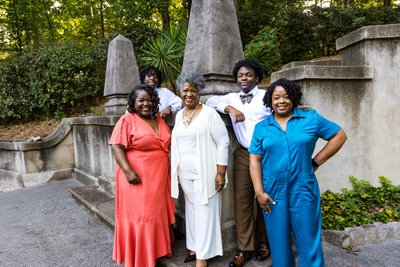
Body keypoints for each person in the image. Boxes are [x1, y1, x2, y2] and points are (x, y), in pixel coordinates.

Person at [249, 78, 347, 267]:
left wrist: (316, 161)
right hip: (272, 192)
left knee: (309, 240)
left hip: (303, 188)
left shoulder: (311, 118)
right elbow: (254, 160)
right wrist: (259, 192)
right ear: (270, 101)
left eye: (286, 96)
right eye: (276, 97)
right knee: (279, 243)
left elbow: (339, 135)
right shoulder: (261, 128)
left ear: (293, 98)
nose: (281, 101)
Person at [206, 59, 271, 267]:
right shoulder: (232, 97)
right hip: (244, 154)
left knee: (265, 199)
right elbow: (209, 101)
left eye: (249, 75)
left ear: (257, 77)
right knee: (242, 201)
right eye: (241, 75)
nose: (244, 78)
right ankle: (244, 248)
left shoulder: (266, 96)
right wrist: (229, 108)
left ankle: (264, 242)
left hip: (268, 154)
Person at [109, 84, 176, 267]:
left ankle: (156, 250)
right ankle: (142, 258)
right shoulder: (127, 119)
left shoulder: (159, 120)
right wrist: (129, 172)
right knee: (143, 217)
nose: (146, 104)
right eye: (141, 100)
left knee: (155, 215)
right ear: (133, 102)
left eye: (150, 100)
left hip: (159, 178)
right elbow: (116, 146)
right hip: (137, 177)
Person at [171, 71, 230, 267]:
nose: (189, 94)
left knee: (205, 214)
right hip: (185, 175)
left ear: (199, 92)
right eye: (185, 90)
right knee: (192, 213)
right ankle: (194, 246)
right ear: (180, 92)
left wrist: (220, 173)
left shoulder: (209, 113)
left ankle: (202, 257)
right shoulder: (179, 114)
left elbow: (223, 142)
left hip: (207, 175)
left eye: (193, 90)